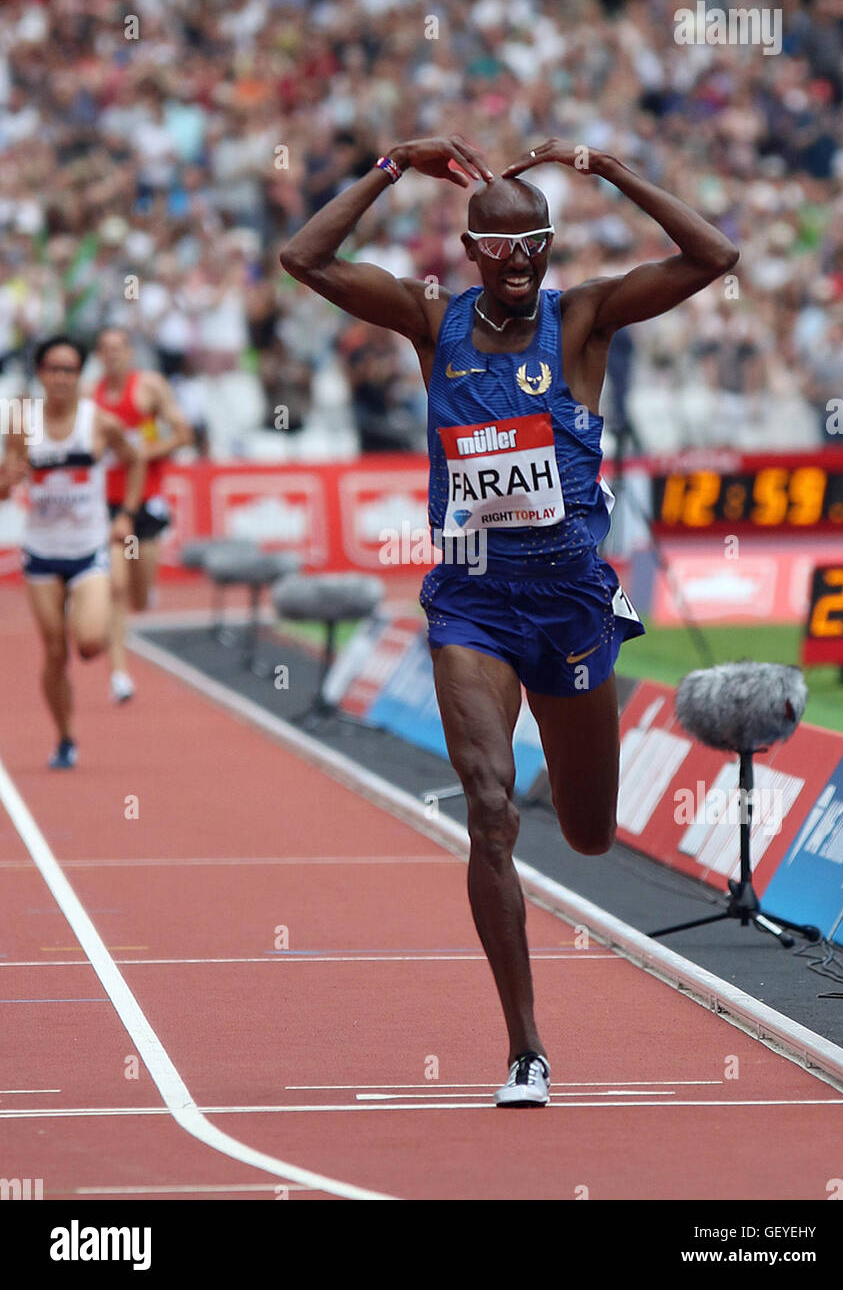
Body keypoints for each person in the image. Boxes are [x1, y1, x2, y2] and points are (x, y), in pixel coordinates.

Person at [279, 134, 739, 1106]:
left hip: (569, 602)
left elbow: (713, 260)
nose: (522, 263)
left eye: (536, 244)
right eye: (503, 249)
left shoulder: (581, 322)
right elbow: (303, 260)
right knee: (488, 807)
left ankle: (558, 786)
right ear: (470, 251)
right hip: (473, 599)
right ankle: (524, 1046)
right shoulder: (426, 319)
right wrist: (386, 166)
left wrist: (613, 173)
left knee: (583, 833)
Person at [0, 336, 145, 766]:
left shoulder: (98, 422)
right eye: (53, 369)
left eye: (69, 370)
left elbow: (134, 459)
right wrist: (7, 479)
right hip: (42, 553)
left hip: (87, 550)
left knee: (88, 643)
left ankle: (90, 626)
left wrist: (127, 516)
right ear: (41, 374)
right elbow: (5, 487)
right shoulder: (21, 422)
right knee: (54, 652)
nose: (61, 377)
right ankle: (65, 737)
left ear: (80, 376)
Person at [90, 327, 192, 702]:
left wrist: (144, 452)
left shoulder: (149, 387)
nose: (112, 355)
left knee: (137, 592)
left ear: (129, 352)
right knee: (116, 587)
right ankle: (119, 675)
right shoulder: (92, 395)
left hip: (146, 499)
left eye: (118, 349)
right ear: (99, 355)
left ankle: (144, 592)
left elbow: (183, 435)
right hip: (109, 504)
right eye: (105, 349)